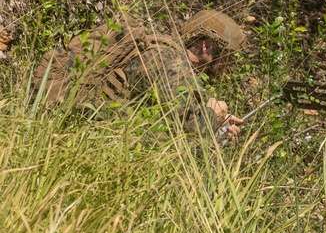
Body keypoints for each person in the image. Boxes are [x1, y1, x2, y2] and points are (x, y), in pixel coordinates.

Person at [33, 9, 246, 139]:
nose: (226, 64)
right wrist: (212, 116)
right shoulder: (174, 64)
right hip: (99, 136)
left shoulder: (165, 53)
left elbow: (171, 124)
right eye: (226, 55)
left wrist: (219, 128)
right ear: (206, 45)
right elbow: (188, 132)